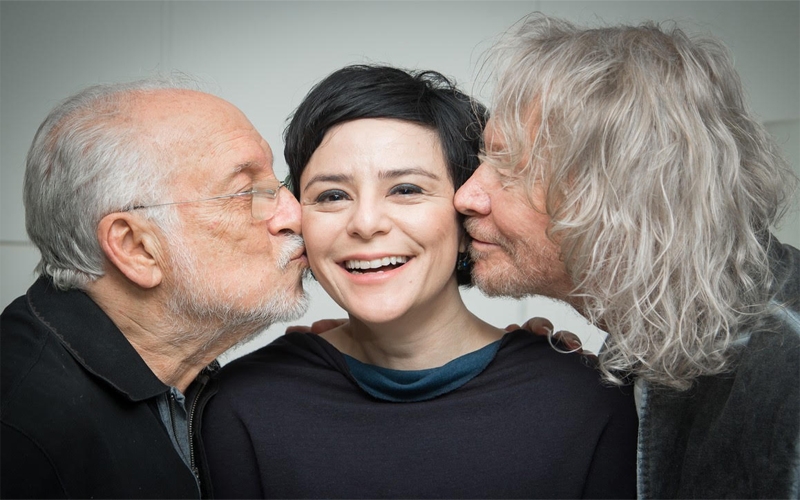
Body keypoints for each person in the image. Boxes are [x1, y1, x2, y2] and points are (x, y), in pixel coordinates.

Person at [202, 65, 638, 499]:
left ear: (466, 210)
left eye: (406, 189)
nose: (366, 223)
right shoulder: (239, 406)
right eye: (332, 196)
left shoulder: (587, 401)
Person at [453, 14, 800, 499]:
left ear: (621, 194)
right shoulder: (644, 346)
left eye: (510, 168)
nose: (467, 196)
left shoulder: (787, 373)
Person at [0, 78, 309, 498]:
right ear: (136, 248)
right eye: (247, 192)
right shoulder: (23, 433)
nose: (295, 213)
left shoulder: (180, 382)